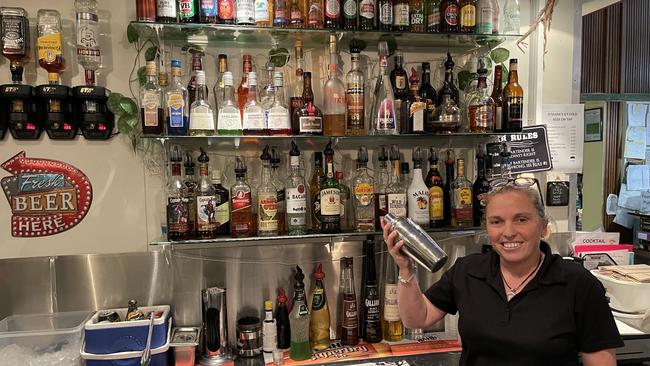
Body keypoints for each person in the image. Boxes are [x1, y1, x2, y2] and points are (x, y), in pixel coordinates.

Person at [382, 183, 623, 366]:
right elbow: (417, 318)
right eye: (496, 222)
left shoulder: (578, 283)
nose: (508, 232)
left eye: (521, 219)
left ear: (542, 225)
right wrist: (406, 268)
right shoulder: (468, 271)